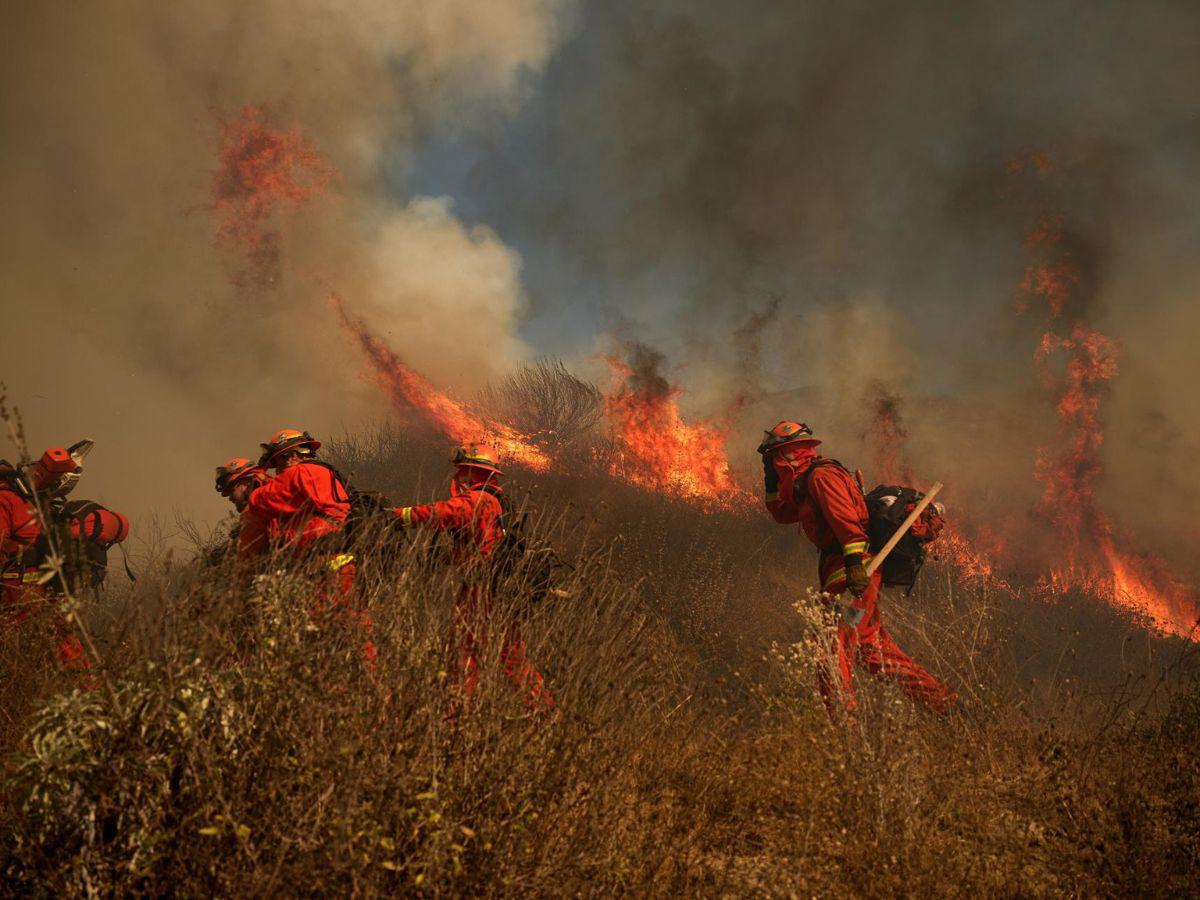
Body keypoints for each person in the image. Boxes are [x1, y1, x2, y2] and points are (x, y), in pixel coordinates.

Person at [759, 421, 955, 717]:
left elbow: (848, 525)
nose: (773, 464)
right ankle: (945, 706)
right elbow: (783, 514)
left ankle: (843, 723)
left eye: (774, 458)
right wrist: (770, 484)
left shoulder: (822, 477)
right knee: (871, 649)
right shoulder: (804, 483)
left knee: (830, 642)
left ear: (788, 454)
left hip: (854, 572)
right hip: (848, 570)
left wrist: (854, 569)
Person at [394, 445, 551, 712]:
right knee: (511, 657)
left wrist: (398, 516)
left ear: (473, 472)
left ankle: (457, 716)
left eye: (463, 471)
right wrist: (447, 557)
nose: (458, 478)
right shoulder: (497, 500)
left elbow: (443, 513)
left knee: (464, 652)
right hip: (499, 590)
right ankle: (545, 715)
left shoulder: (477, 500)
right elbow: (480, 542)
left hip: (481, 591)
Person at [237, 429, 374, 667]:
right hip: (337, 566)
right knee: (355, 633)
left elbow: (260, 501)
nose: (278, 471)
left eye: (278, 464)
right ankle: (370, 680)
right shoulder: (323, 472)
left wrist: (258, 480)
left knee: (319, 639)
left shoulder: (300, 473)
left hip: (323, 571)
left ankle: (349, 680)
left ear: (290, 456)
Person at [0, 443, 128, 681]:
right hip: (45, 595)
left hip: (21, 597)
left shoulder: (8, 500)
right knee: (67, 657)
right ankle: (90, 695)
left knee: (29, 662)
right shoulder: (31, 502)